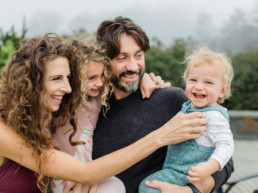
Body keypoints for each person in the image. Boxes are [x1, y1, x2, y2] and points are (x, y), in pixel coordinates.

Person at [0, 34, 206, 193]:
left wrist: (142, 78)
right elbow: (86, 173)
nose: (68, 88)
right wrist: (162, 136)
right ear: (29, 83)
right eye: (56, 79)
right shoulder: (4, 131)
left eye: (68, 78)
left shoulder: (36, 119)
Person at [93, 16, 234, 193]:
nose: (133, 66)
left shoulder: (171, 99)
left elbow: (226, 161)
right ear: (104, 61)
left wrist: (189, 191)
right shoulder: (91, 110)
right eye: (122, 58)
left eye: (138, 55)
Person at [52, 37, 167, 193]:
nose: (99, 83)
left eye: (102, 76)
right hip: (65, 176)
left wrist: (145, 78)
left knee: (116, 185)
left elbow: (124, 80)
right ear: (75, 77)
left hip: (89, 174)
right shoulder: (63, 100)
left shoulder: (98, 96)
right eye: (92, 78)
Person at [139, 47, 234, 193]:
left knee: (148, 187)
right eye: (193, 80)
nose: (198, 86)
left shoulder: (214, 116)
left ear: (222, 90)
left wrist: (209, 167)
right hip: (176, 169)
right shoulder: (189, 105)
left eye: (208, 83)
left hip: (187, 174)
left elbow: (226, 145)